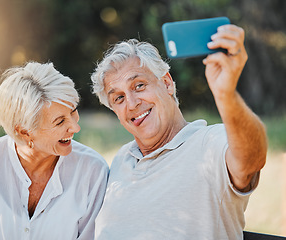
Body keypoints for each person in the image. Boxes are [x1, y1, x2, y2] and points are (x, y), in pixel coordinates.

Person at [90, 24, 267, 239]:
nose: (132, 103)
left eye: (139, 85)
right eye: (118, 98)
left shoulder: (208, 142)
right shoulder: (121, 160)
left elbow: (250, 160)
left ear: (166, 84)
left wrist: (225, 95)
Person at [0, 61, 109, 239]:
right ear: (24, 132)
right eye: (60, 121)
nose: (75, 128)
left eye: (73, 112)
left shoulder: (93, 170)